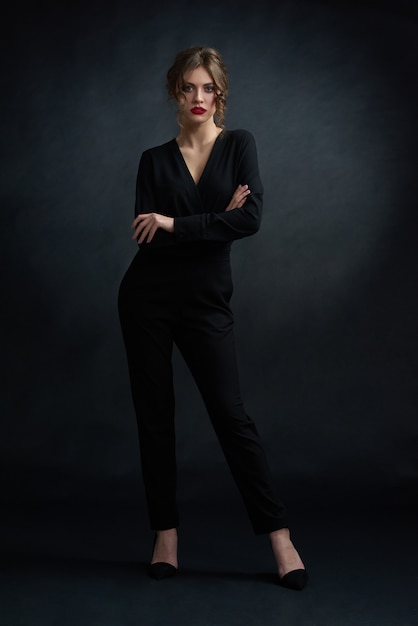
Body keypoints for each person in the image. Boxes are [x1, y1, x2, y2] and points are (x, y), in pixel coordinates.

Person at [118, 46, 307, 590]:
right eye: (188, 88)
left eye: (207, 88)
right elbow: (147, 237)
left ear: (220, 93)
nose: (198, 98)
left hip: (206, 305)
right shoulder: (153, 160)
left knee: (231, 417)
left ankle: (280, 537)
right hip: (146, 299)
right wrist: (212, 220)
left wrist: (177, 223)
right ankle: (166, 534)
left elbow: (250, 220)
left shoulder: (238, 145)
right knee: (155, 417)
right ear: (175, 93)